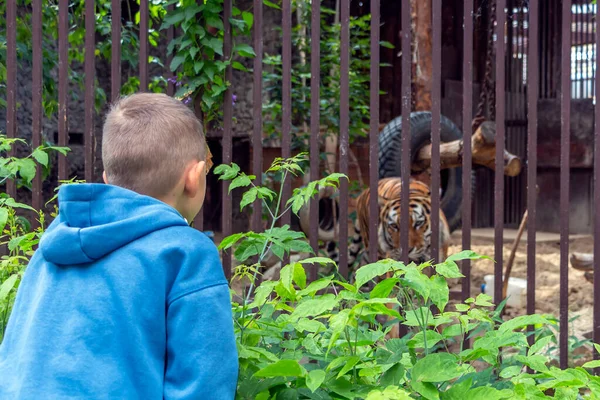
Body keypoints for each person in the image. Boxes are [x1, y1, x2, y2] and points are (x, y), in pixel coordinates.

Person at [0, 93, 238, 399]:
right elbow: (205, 385)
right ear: (193, 177)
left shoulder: (56, 241)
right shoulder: (185, 253)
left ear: (106, 179)